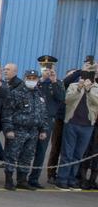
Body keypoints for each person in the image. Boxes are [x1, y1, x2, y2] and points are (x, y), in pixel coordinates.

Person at [0, 63, 49, 191]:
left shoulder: (39, 95)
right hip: (17, 130)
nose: (31, 80)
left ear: (37, 79)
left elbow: (43, 113)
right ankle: (9, 180)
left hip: (33, 131)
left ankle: (22, 180)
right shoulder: (16, 93)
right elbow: (7, 113)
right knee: (12, 155)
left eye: (34, 78)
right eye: (29, 78)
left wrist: (43, 129)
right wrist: (8, 129)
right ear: (25, 78)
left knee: (27, 156)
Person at [57, 68, 98, 190]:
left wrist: (89, 90)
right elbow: (67, 100)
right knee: (67, 153)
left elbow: (96, 102)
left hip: (87, 125)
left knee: (78, 154)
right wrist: (79, 88)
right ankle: (62, 179)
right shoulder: (74, 86)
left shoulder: (96, 88)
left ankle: (72, 179)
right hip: (72, 122)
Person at [29, 56, 65, 188]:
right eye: (44, 68)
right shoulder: (34, 80)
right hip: (32, 119)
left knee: (41, 150)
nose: (47, 70)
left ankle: (34, 178)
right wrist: (42, 79)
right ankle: (22, 177)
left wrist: (54, 81)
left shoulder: (57, 83)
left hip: (47, 120)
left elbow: (62, 97)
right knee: (27, 149)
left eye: (49, 68)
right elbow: (27, 92)